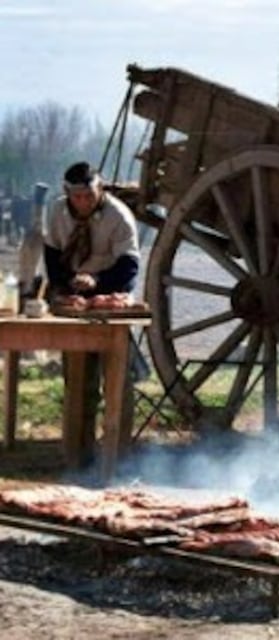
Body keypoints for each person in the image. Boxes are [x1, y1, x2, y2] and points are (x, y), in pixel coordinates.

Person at [43, 161, 140, 464]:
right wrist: (65, 288)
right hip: (74, 302)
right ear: (67, 193)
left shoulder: (119, 217)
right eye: (77, 196)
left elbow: (129, 267)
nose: (84, 202)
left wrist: (97, 283)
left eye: (89, 195)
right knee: (78, 383)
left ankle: (118, 457)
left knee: (117, 382)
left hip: (110, 299)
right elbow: (53, 256)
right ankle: (78, 456)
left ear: (100, 188)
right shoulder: (56, 212)